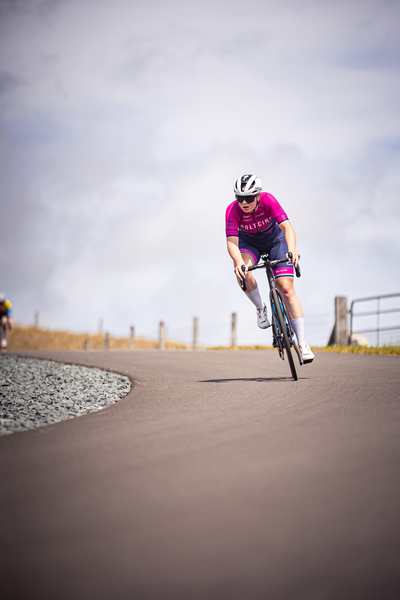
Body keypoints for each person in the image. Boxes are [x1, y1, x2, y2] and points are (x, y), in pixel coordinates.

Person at [225, 174, 314, 363]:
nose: (244, 203)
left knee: (287, 289)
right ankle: (260, 308)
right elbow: (232, 242)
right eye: (240, 198)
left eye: (249, 198)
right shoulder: (232, 211)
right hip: (250, 245)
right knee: (242, 271)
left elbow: (287, 228)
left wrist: (292, 250)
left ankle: (303, 343)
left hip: (275, 241)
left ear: (258, 196)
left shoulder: (269, 200)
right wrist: (239, 262)